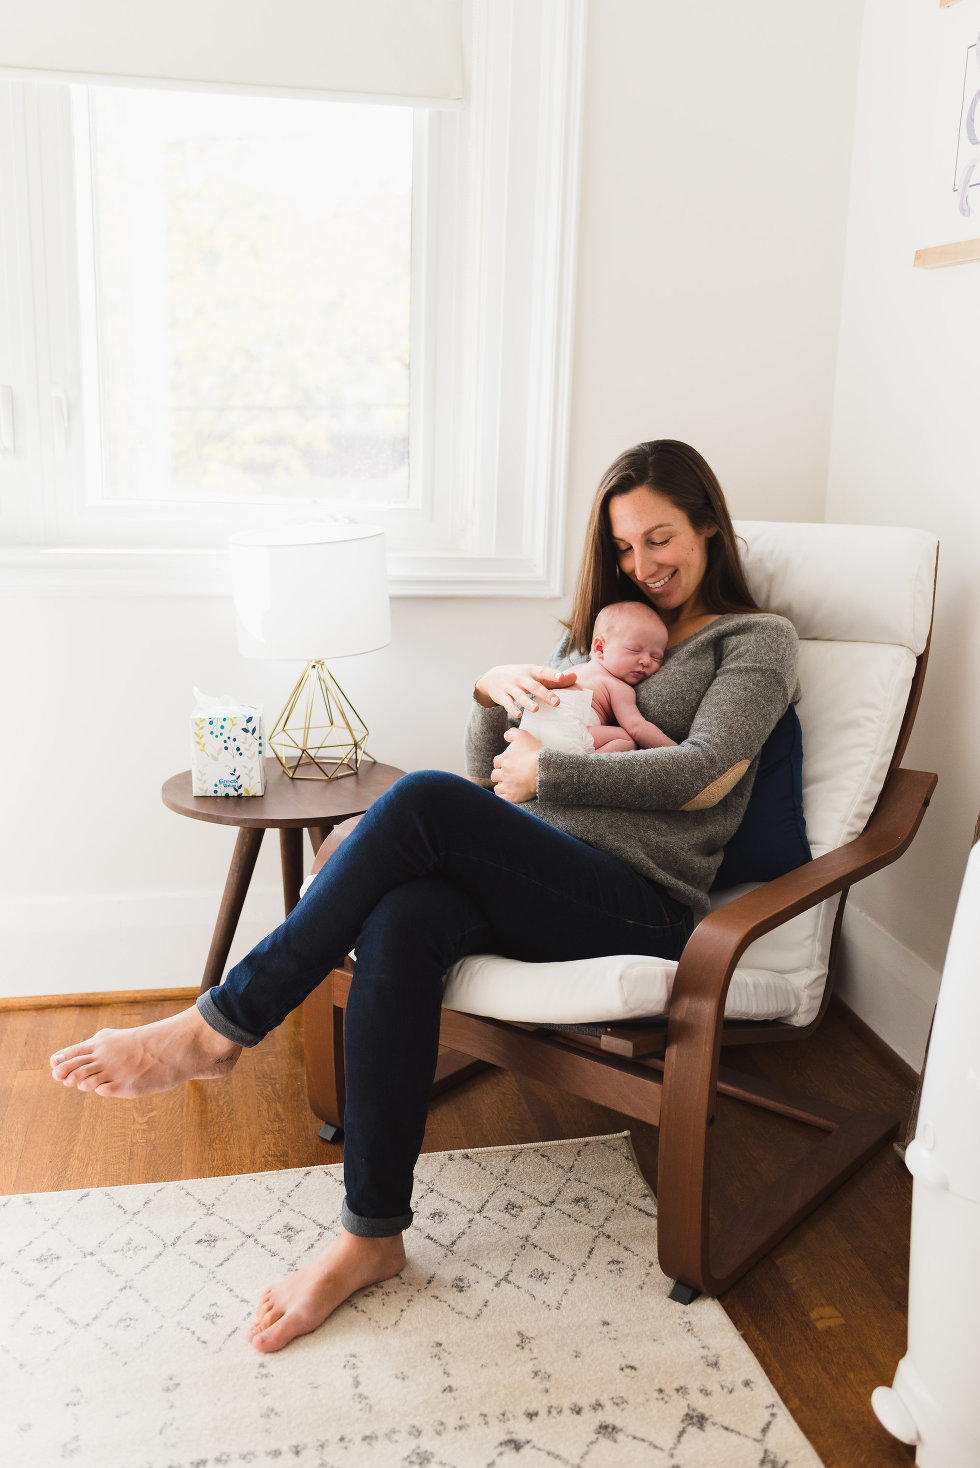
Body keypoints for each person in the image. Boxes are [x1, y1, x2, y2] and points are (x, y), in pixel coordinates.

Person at [48, 439, 799, 1356]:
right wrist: (493, 692)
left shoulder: (752, 642)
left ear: (709, 528)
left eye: (662, 538)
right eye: (627, 545)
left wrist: (553, 777)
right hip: (539, 876)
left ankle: (220, 1027)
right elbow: (497, 778)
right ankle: (370, 1235)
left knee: (417, 800)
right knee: (406, 917)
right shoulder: (603, 630)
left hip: (643, 902)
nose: (645, 563)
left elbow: (703, 776)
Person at [522, 600, 676, 754]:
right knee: (626, 739)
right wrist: (677, 751)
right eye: (634, 650)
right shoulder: (618, 687)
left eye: (656, 657)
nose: (646, 661)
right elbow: (637, 727)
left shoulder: (576, 670)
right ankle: (581, 767)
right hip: (566, 730)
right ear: (600, 647)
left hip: (528, 730)